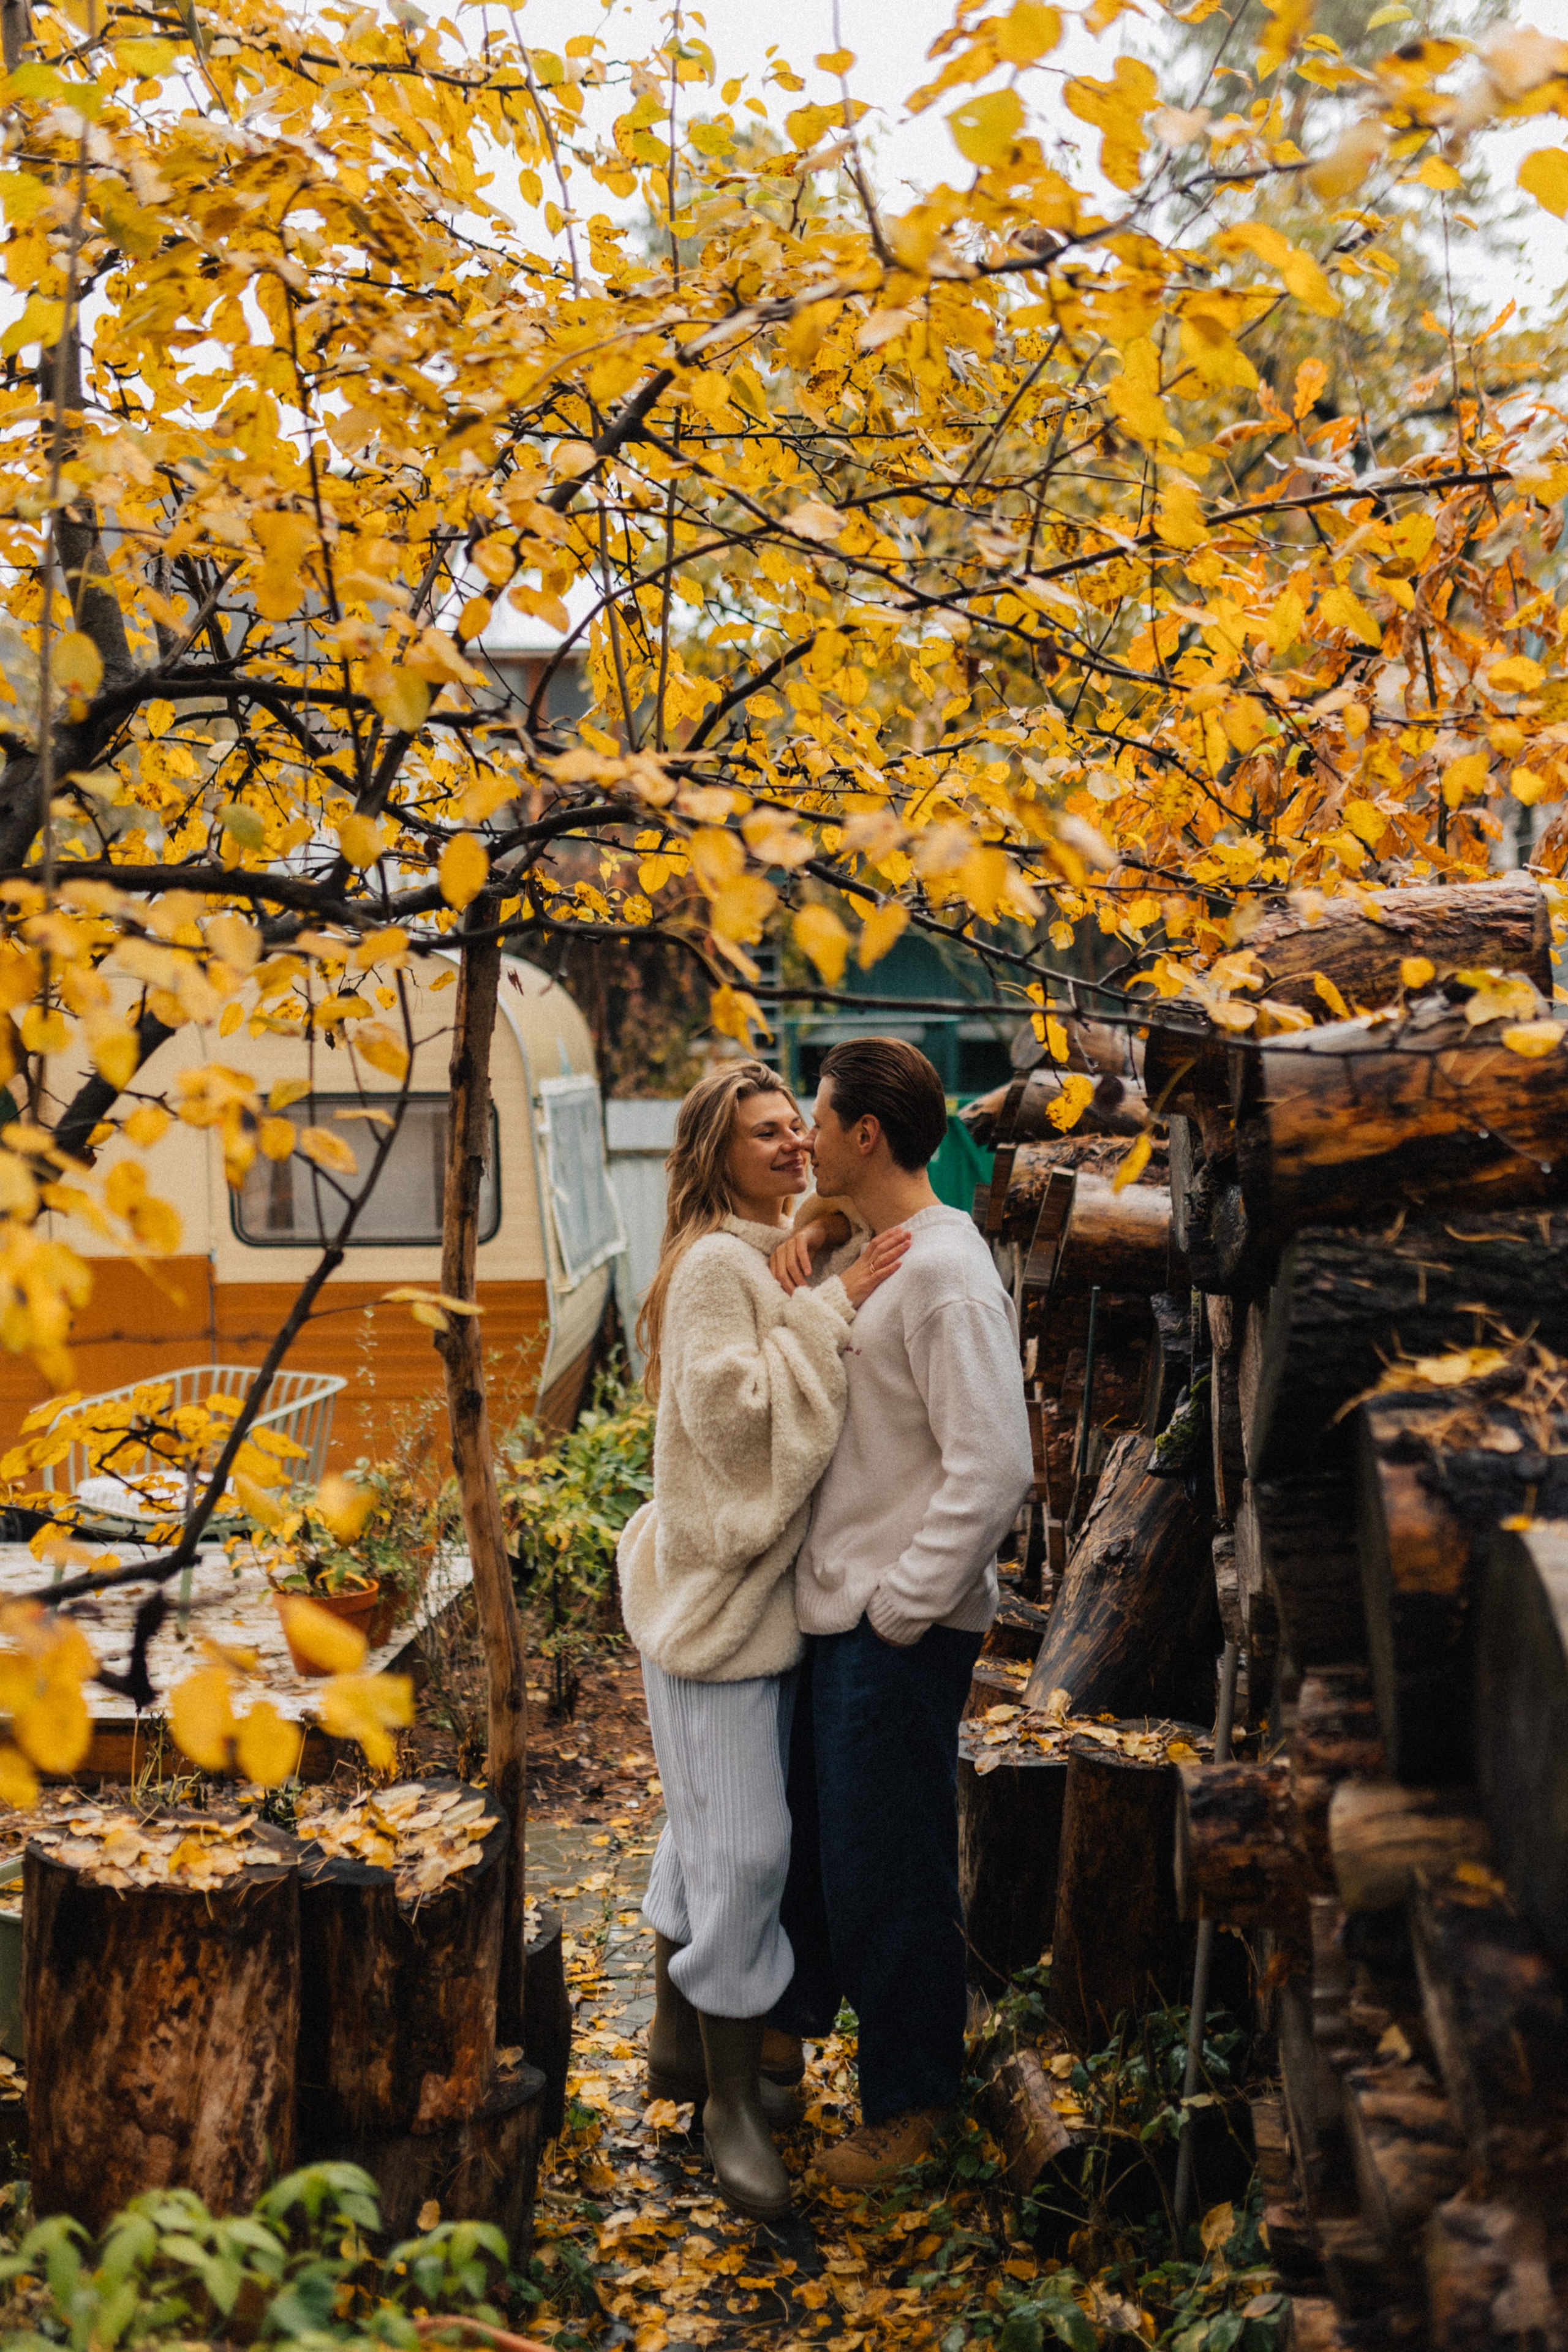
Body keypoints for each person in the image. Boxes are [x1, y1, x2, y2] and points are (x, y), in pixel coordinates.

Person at [617, 1059, 910, 2220]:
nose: (793, 1147)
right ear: (713, 1155)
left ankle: (676, 2039)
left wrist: (829, 1222)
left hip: (759, 1605)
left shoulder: (772, 1241)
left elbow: (808, 1252)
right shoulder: (712, 1267)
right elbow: (734, 1427)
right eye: (764, 1137)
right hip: (713, 1611)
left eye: (799, 1128)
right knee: (743, 1851)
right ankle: (730, 2101)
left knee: (708, 1825)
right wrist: (832, 1310)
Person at [766, 1037, 1034, 2187]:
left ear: (864, 1133)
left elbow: (996, 1466)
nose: (805, 1140)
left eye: (818, 1120)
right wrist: (823, 1236)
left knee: (895, 1870)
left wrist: (904, 1605)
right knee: (829, 1854)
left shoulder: (947, 1278)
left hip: (896, 1629)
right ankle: (784, 2048)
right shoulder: (895, 1252)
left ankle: (914, 2107)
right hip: (848, 1619)